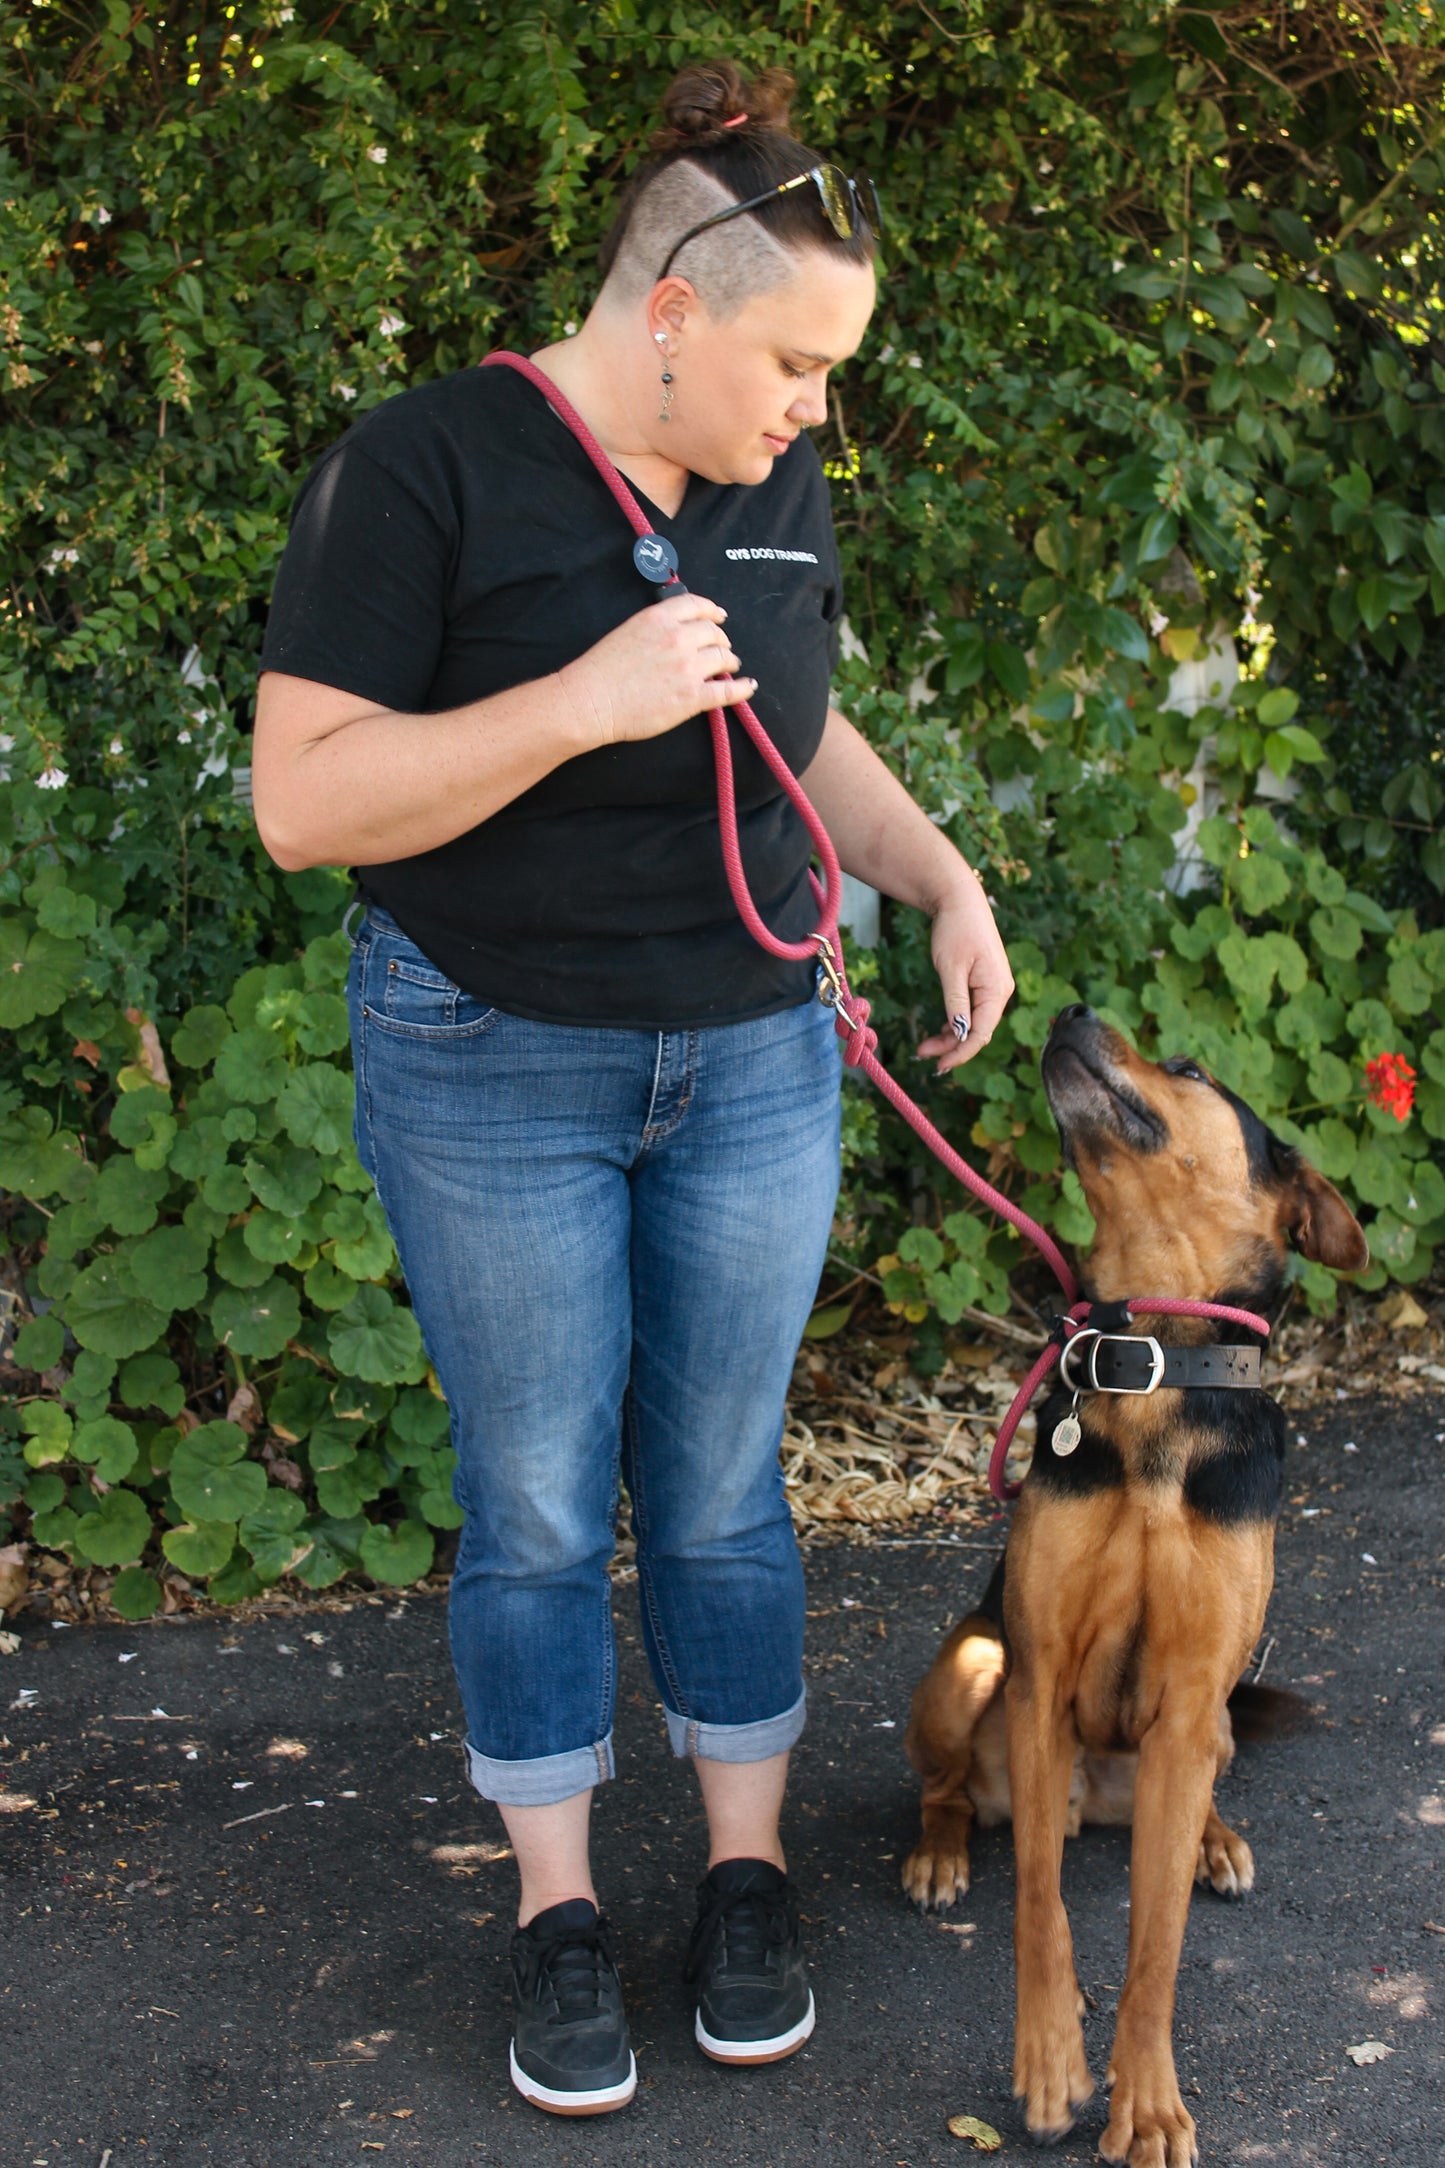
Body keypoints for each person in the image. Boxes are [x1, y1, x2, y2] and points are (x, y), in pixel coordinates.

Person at [253, 57, 1013, 2118]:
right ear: (671, 303)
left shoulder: (765, 471)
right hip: (492, 1051)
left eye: (831, 374)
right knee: (526, 1503)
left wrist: (931, 868)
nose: (814, 409)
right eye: (794, 358)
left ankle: (745, 1887)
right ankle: (561, 1912)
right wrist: (570, 706)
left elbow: (798, 728)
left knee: (720, 1488)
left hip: (756, 1055)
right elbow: (301, 803)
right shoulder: (417, 470)